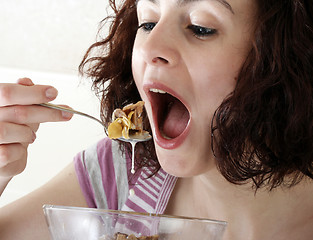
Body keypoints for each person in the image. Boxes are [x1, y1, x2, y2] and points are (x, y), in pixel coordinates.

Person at [0, 0, 313, 239]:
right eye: (148, 22)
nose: (150, 48)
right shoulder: (119, 176)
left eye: (201, 27)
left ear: (286, 56)